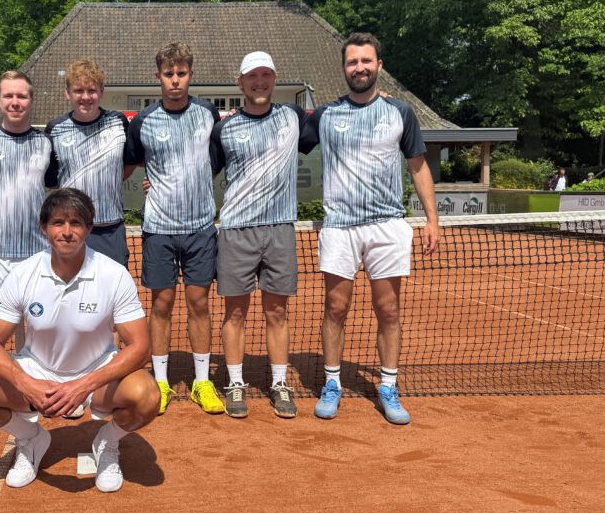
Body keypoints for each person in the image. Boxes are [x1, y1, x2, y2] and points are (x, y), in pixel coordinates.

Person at [0, 188, 159, 493]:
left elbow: (141, 347)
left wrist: (84, 385)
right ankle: (30, 437)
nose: (67, 231)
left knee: (148, 397)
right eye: (58, 222)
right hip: (37, 370)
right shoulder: (23, 274)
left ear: (89, 228)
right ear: (43, 228)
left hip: (97, 375)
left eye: (76, 223)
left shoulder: (114, 274)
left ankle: (108, 441)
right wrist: (26, 383)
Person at [301, 32, 440, 425]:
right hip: (339, 228)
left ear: (379, 65)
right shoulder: (325, 116)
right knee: (335, 307)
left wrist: (432, 219)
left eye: (365, 61)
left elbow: (418, 166)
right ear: (343, 68)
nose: (359, 68)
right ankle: (332, 383)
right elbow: (281, 137)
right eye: (352, 62)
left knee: (389, 309)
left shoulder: (401, 112)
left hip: (387, 227)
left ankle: (389, 386)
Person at [124, 42, 222, 415]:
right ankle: (162, 382)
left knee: (199, 303)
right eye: (169, 74)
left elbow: (215, 159)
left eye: (181, 73)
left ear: (190, 75)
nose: (175, 80)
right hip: (159, 228)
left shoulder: (207, 112)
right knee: (161, 304)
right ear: (158, 77)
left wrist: (187, 180)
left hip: (200, 227)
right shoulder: (143, 121)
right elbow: (132, 162)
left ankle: (202, 382)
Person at [211, 52, 308, 419]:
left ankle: (279, 383)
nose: (259, 82)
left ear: (274, 79)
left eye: (266, 74)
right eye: (252, 76)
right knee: (235, 311)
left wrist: (378, 98)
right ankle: (235, 383)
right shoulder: (224, 129)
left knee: (277, 311)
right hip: (236, 229)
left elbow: (334, 126)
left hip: (280, 228)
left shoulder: (293, 116)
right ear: (241, 83)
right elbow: (202, 170)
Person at [0, 71, 53, 348]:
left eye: (21, 96)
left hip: (35, 252)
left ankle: (31, 371)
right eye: (8, 96)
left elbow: (58, 182)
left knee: (36, 325)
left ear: (31, 100)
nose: (15, 102)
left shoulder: (46, 143)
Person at [45, 59, 135, 268]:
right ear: (67, 93)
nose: (85, 97)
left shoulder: (118, 122)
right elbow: (52, 180)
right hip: (70, 230)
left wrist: (107, 180)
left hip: (110, 229)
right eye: (78, 90)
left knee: (112, 287)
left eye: (92, 90)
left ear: (102, 92)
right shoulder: (55, 129)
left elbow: (128, 164)